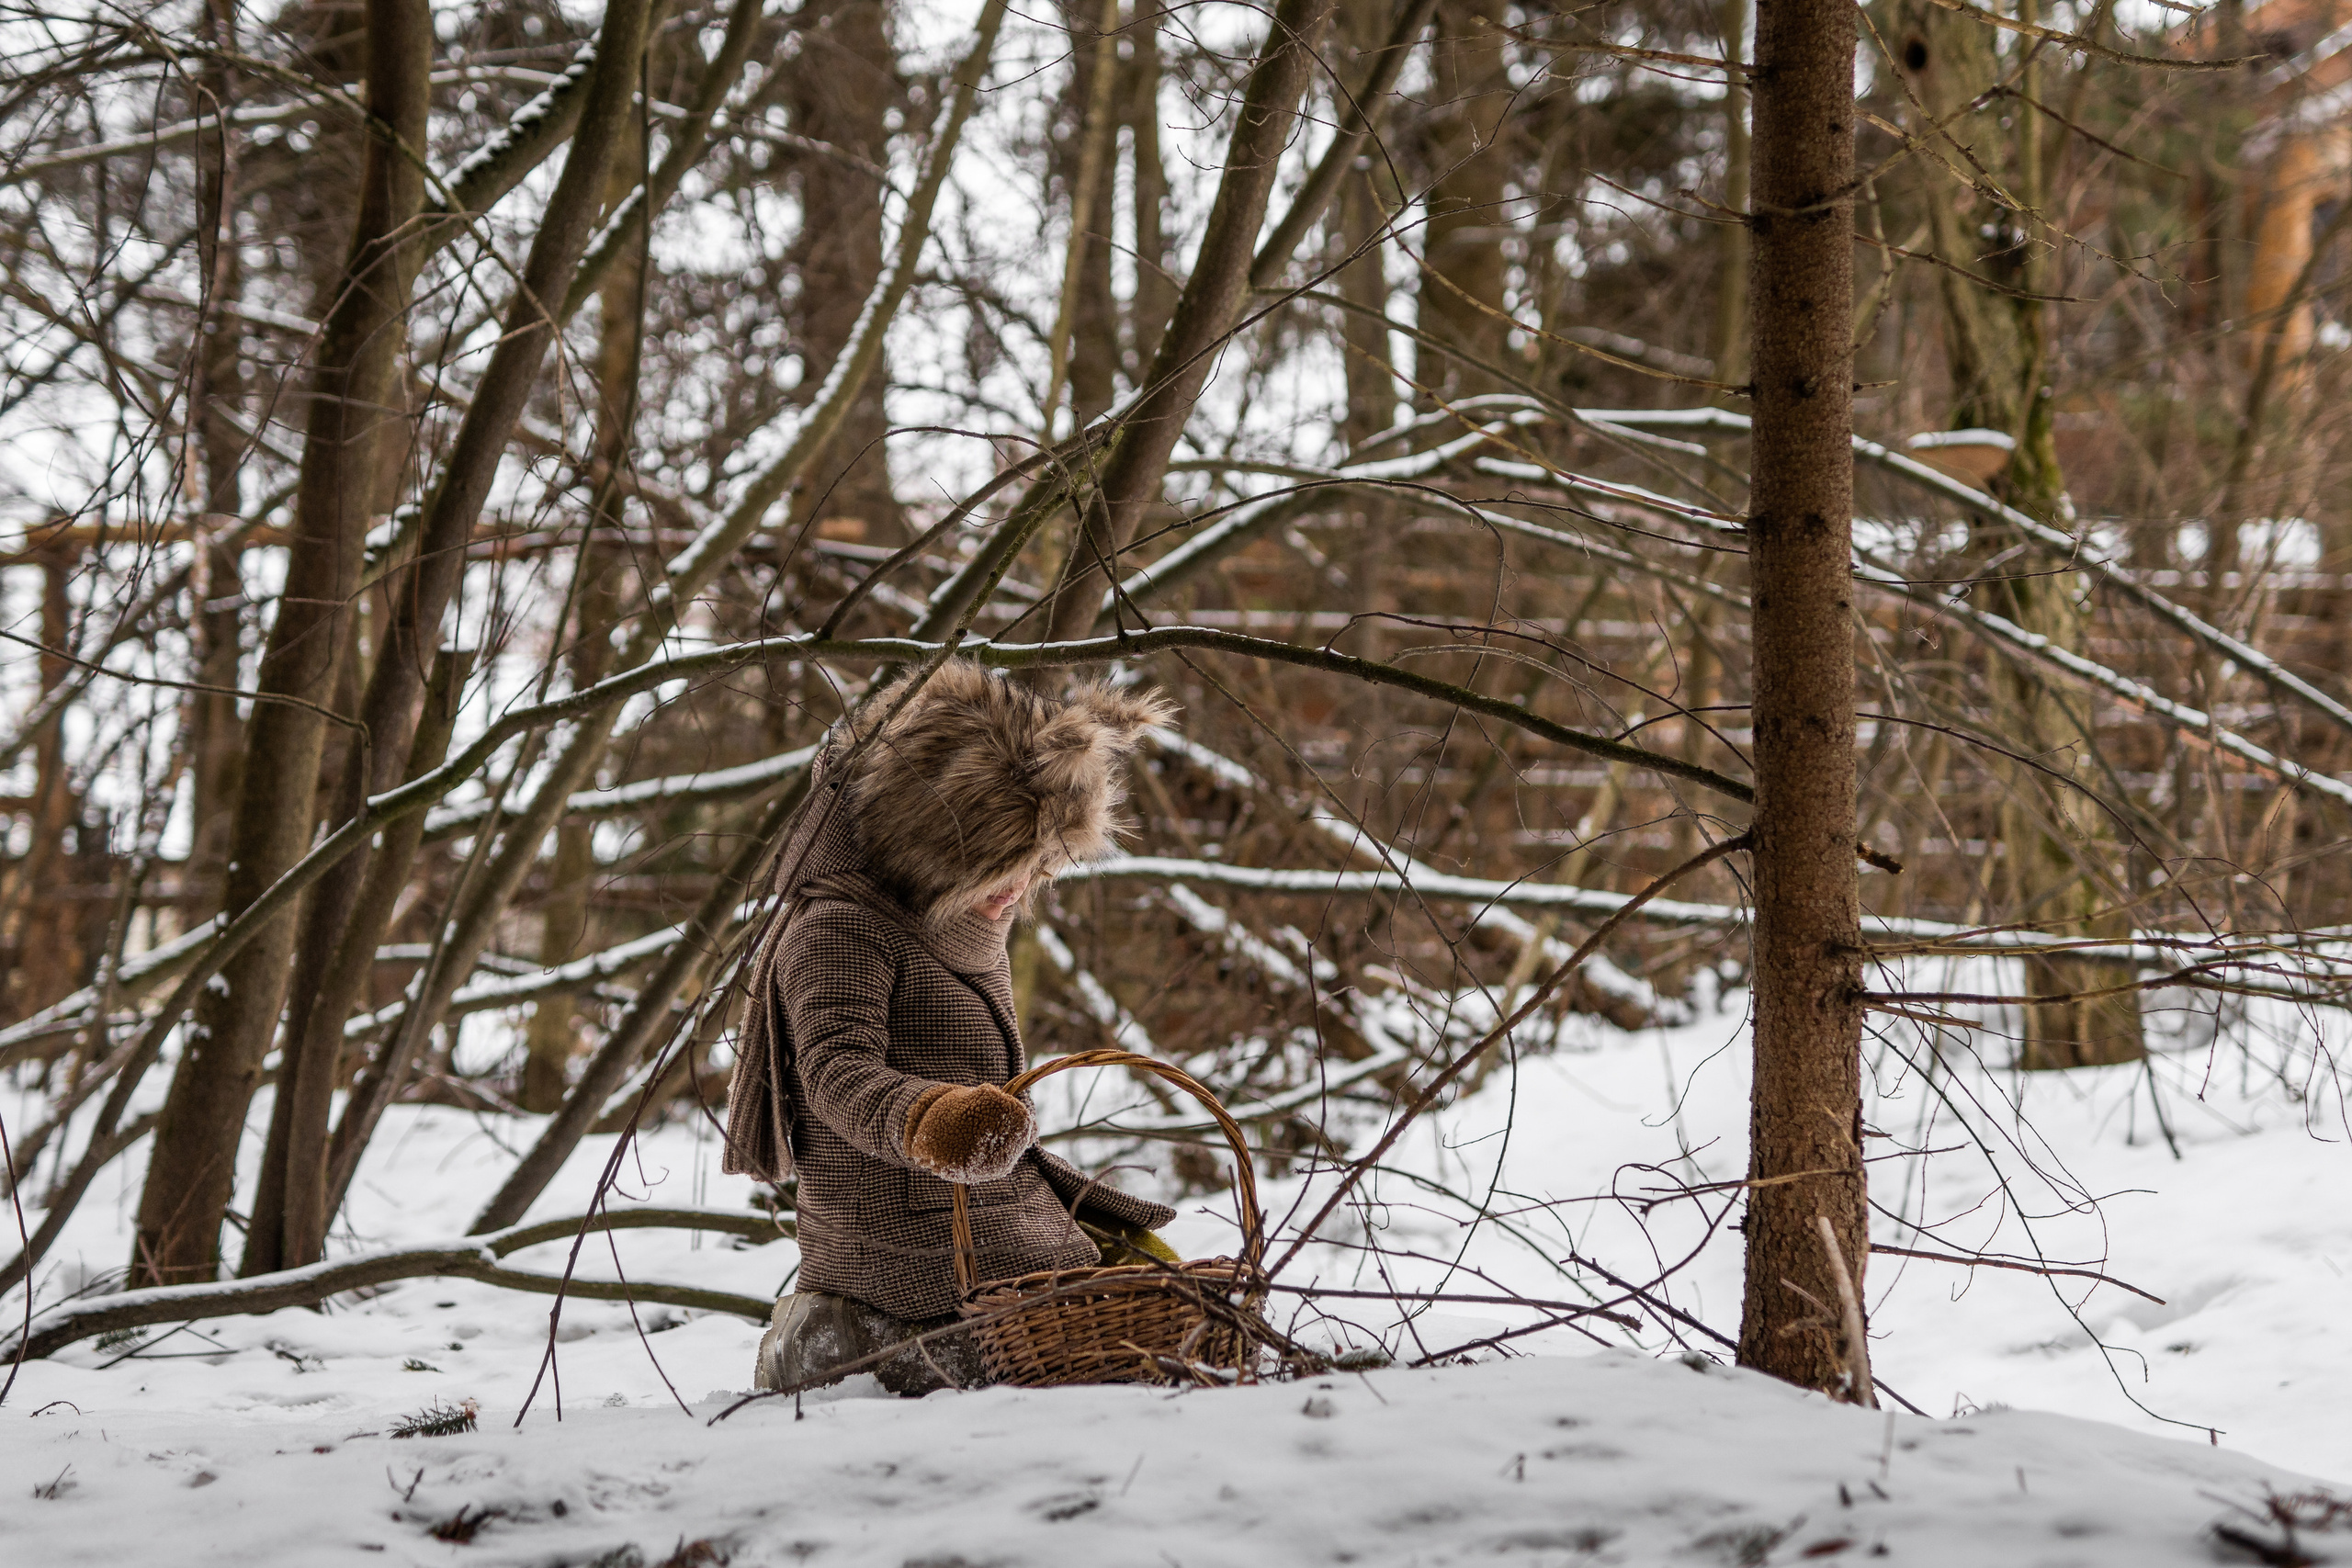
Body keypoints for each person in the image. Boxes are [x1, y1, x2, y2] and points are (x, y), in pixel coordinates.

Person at [723, 660, 1181, 1395]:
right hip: (904, 1237)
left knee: (1148, 1279)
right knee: (1079, 1337)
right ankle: (842, 1339)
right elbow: (837, 1071)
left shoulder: (964, 919)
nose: (1023, 889)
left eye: (1038, 866)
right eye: (1005, 866)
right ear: (939, 844)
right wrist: (933, 1119)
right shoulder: (841, 928)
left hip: (982, 1208)